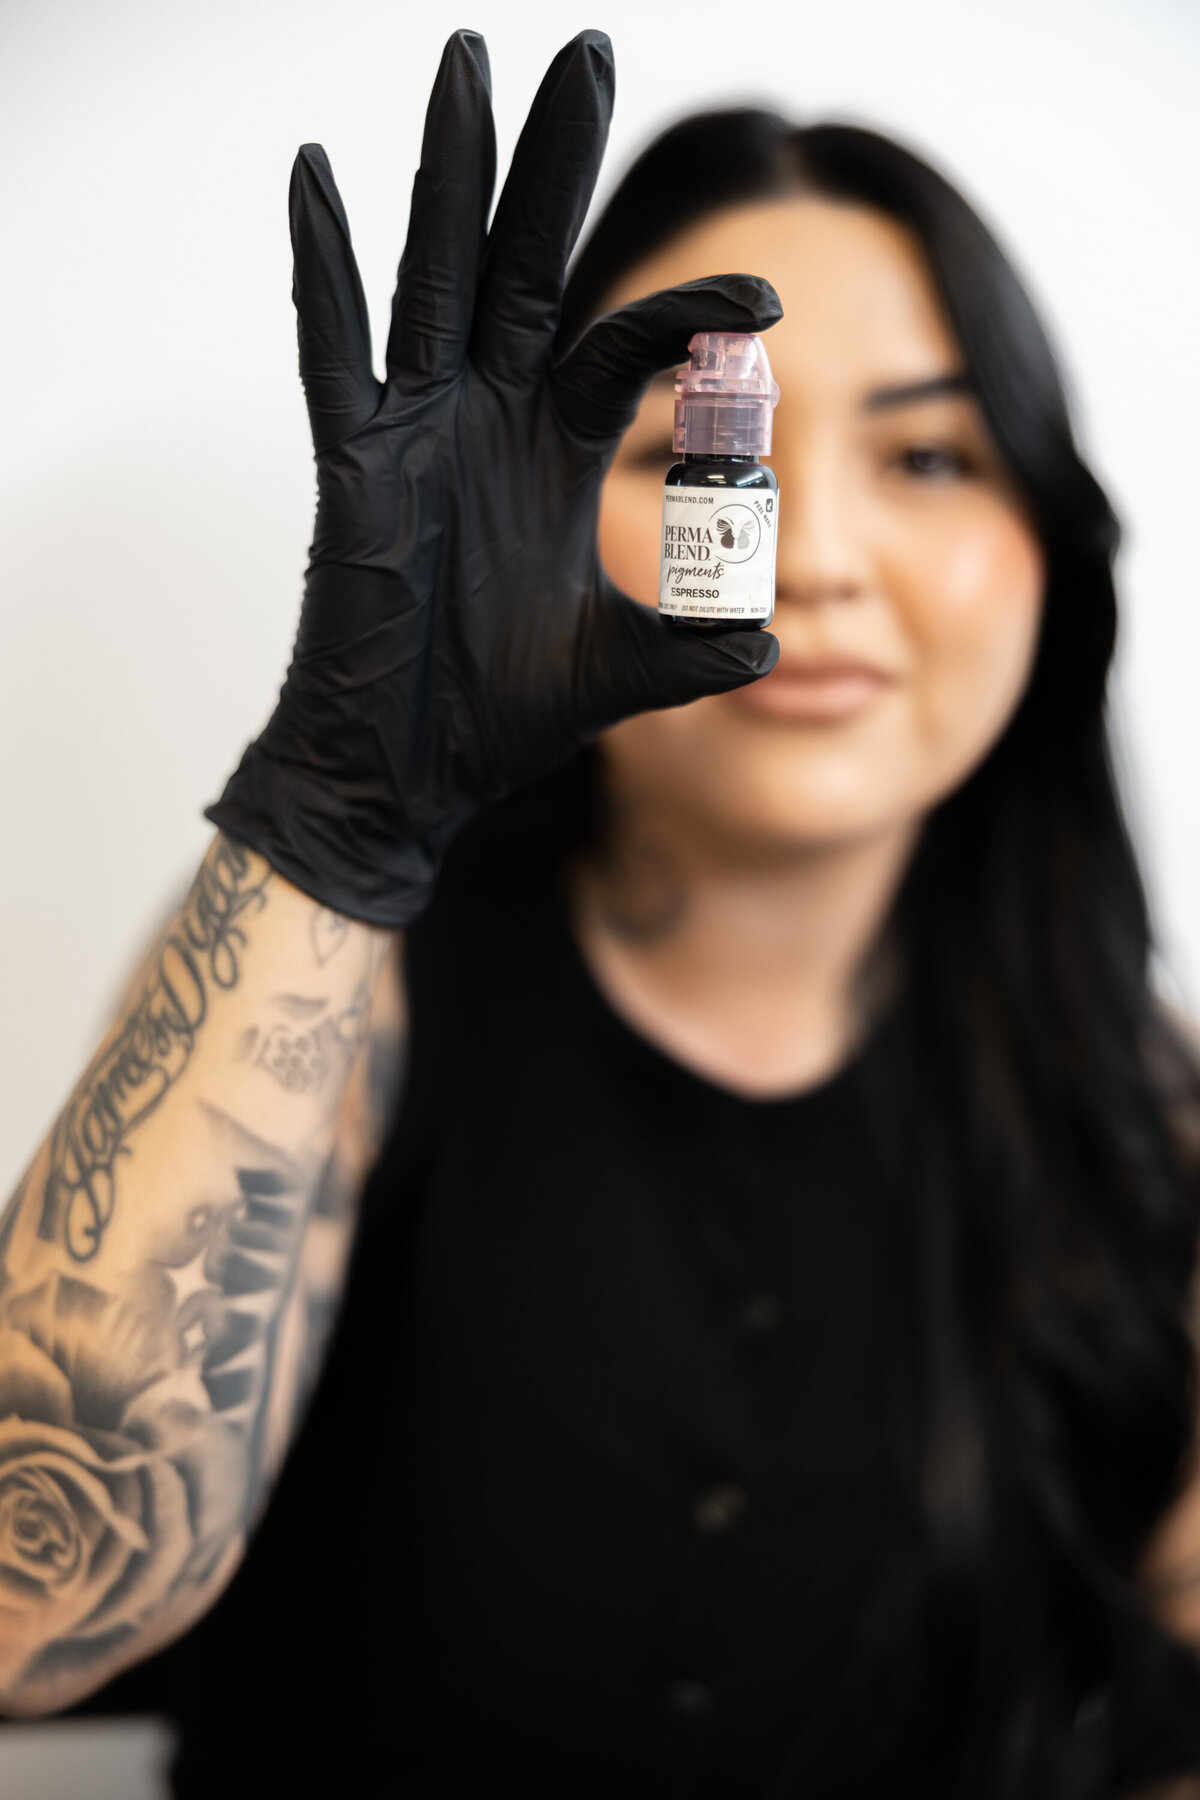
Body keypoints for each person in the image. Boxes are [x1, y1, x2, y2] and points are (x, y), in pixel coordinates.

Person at [1, 24, 1199, 1798]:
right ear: (537, 525)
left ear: (1054, 551)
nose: (815, 553)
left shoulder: (1137, 1108)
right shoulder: (338, 987)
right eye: (704, 454)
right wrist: (333, 816)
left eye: (932, 460)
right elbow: (27, 1624)